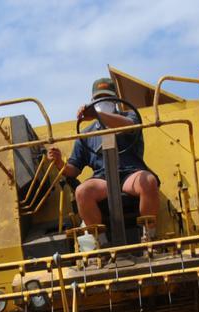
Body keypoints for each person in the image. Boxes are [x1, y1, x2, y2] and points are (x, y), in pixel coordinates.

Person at [46, 76, 160, 248]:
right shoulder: (86, 134)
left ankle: (149, 237)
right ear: (92, 102)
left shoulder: (130, 117)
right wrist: (59, 163)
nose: (103, 101)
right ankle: (102, 243)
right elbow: (73, 170)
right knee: (82, 192)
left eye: (107, 97)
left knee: (148, 181)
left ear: (115, 100)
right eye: (99, 99)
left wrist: (98, 115)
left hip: (131, 174)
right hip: (103, 179)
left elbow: (129, 126)